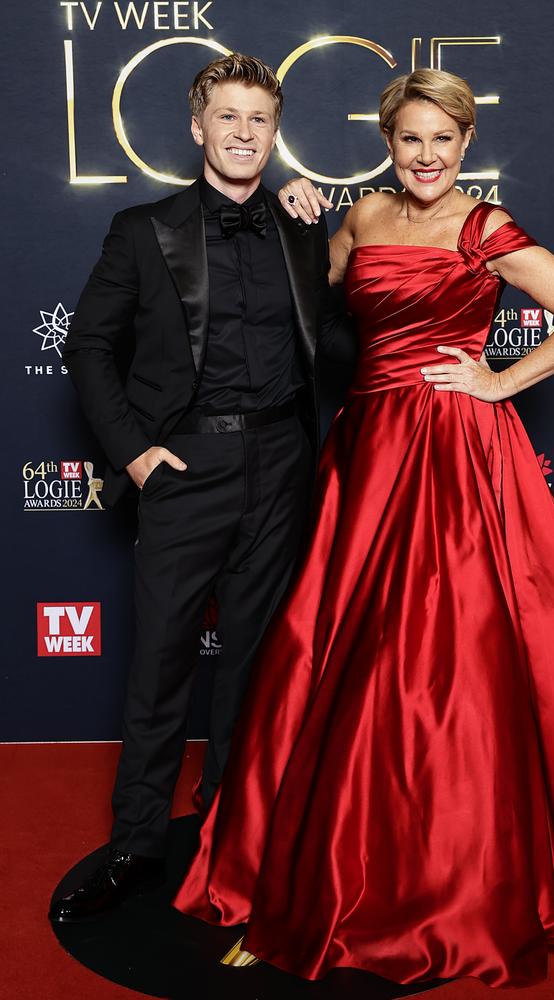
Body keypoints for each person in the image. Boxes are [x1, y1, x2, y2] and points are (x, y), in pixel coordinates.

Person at [173, 68, 554, 988]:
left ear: (467, 144)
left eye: (444, 139)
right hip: (366, 449)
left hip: (456, 452)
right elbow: (303, 308)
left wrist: (498, 381)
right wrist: (292, 206)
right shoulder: (359, 220)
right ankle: (321, 848)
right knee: (339, 641)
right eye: (410, 139)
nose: (427, 156)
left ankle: (441, 861)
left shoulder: (487, 230)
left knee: (443, 653)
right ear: (387, 144)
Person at [49, 52, 354, 923]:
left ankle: (232, 822)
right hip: (185, 468)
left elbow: (333, 341)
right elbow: (87, 348)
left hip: (282, 465)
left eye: (260, 120)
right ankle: (139, 842)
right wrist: (137, 454)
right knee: (160, 666)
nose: (244, 134)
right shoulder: (144, 229)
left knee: (255, 667)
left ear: (275, 131)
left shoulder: (302, 226)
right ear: (196, 127)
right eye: (228, 117)